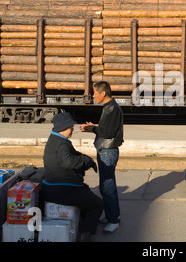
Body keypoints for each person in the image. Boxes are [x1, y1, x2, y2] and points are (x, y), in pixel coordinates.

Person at [39, 112, 103, 242]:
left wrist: (86, 158)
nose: (72, 130)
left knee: (85, 189)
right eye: (70, 127)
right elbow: (68, 161)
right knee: (98, 204)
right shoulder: (62, 144)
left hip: (51, 187)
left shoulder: (55, 138)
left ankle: (84, 221)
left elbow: (72, 154)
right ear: (63, 127)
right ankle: (85, 233)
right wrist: (86, 162)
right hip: (61, 190)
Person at [80, 81, 124, 234]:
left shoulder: (112, 109)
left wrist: (92, 128)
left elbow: (107, 133)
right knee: (105, 187)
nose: (93, 95)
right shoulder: (109, 107)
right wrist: (95, 127)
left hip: (108, 151)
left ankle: (114, 220)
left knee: (108, 186)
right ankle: (111, 215)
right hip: (105, 150)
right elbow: (105, 129)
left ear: (103, 93)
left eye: (95, 92)